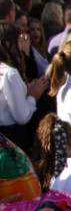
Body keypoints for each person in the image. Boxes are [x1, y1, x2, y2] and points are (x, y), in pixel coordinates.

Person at [0, 22, 48, 152]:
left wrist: (26, 90)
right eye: (19, 40)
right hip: (11, 136)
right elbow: (21, 116)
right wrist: (33, 96)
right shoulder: (10, 73)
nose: (21, 45)